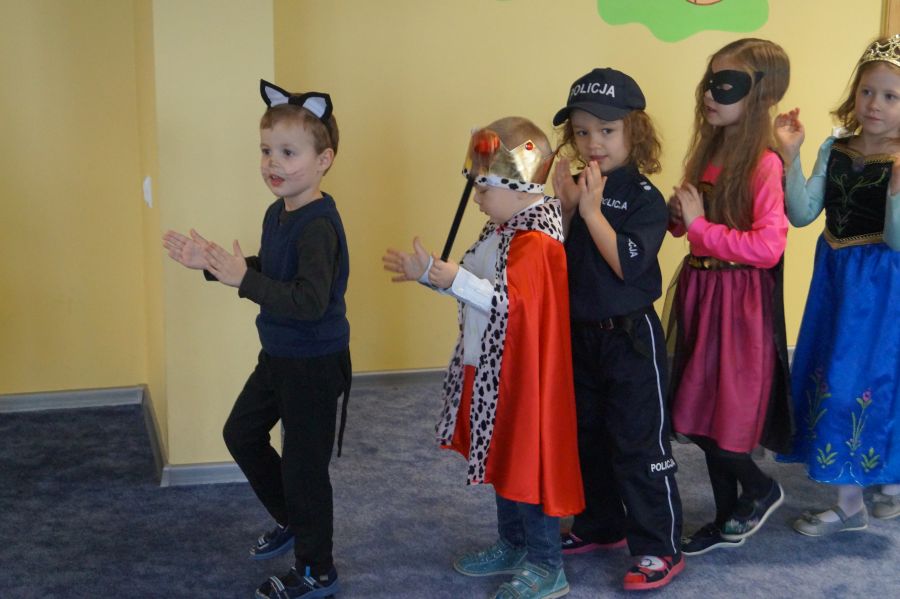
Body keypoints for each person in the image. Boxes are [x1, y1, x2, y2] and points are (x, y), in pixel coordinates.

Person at [162, 79, 351, 599]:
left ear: (324, 160)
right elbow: (272, 270)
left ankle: (317, 571)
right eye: (267, 150)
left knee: (305, 470)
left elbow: (308, 301)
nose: (273, 162)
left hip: (314, 363)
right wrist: (215, 265)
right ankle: (294, 519)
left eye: (289, 152)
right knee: (241, 433)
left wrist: (242, 279)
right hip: (280, 355)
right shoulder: (278, 212)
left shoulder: (319, 226)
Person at [382, 117, 584, 599]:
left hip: (523, 379)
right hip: (492, 368)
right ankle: (513, 544)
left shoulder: (536, 242)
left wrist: (451, 278)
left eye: (483, 186)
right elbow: (471, 283)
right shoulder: (502, 230)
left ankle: (546, 564)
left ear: (517, 187)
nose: (475, 196)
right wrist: (431, 273)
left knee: (526, 465)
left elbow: (513, 305)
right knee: (501, 456)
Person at [550, 68, 683, 591]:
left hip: (630, 339)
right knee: (588, 436)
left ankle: (658, 547)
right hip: (580, 334)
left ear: (635, 131)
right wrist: (565, 209)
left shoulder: (644, 196)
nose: (594, 143)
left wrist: (590, 211)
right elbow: (554, 257)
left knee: (638, 444)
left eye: (607, 130)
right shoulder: (578, 186)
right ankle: (600, 524)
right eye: (583, 132)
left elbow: (628, 262)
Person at [666, 38, 793, 555]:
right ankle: (726, 514)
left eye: (727, 85)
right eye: (709, 83)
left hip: (738, 306)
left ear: (761, 95)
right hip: (701, 294)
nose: (709, 95)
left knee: (724, 418)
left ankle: (758, 491)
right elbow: (690, 228)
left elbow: (767, 247)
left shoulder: (764, 164)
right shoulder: (710, 152)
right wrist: (680, 216)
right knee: (693, 413)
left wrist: (700, 227)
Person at [775, 34, 900, 535]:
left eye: (891, 96)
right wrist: (792, 156)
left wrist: (895, 192)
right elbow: (803, 213)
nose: (875, 104)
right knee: (832, 373)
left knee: (866, 380)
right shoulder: (837, 147)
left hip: (881, 289)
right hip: (835, 282)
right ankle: (867, 489)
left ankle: (861, 498)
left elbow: (896, 240)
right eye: (868, 91)